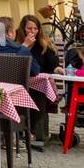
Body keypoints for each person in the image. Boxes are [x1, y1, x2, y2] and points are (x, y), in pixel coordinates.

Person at [17, 14, 59, 148]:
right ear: (23, 29)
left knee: (37, 92)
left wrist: (57, 69)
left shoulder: (43, 44)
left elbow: (52, 65)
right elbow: (14, 62)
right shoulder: (17, 44)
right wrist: (25, 47)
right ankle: (19, 129)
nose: (32, 31)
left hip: (38, 83)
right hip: (18, 81)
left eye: (35, 28)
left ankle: (33, 131)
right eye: (29, 28)